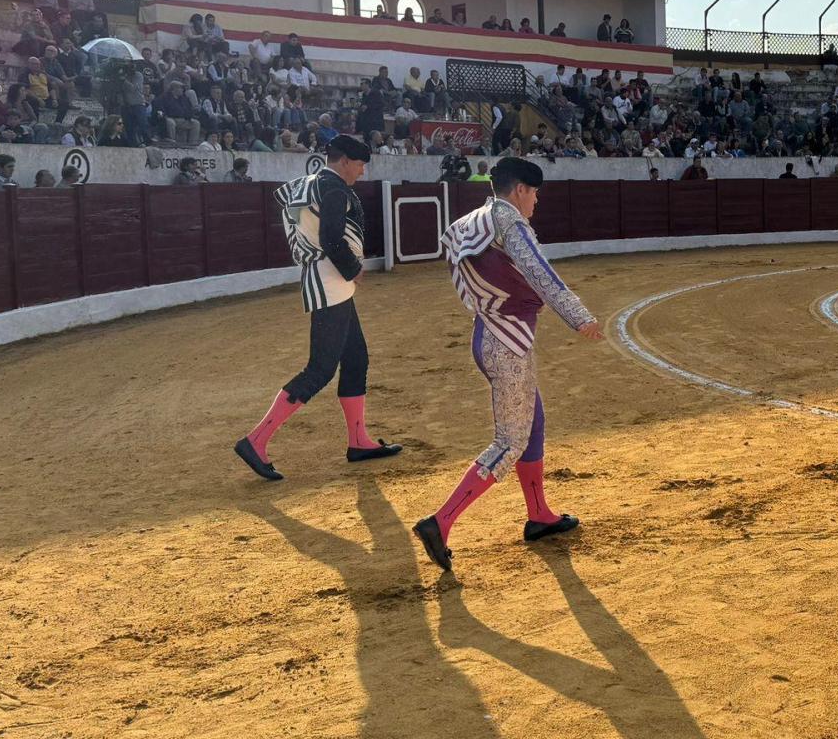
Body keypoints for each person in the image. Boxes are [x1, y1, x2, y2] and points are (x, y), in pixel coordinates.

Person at [415, 157, 603, 571]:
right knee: (510, 440)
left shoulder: (476, 219)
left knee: (531, 423)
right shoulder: (510, 223)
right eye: (534, 193)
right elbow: (538, 272)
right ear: (520, 190)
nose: (536, 201)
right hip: (506, 342)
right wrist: (579, 316)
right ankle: (440, 522)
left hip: (488, 331)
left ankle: (539, 516)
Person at [234, 135, 402, 480]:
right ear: (344, 162)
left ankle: (359, 441)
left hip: (324, 277)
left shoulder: (310, 183)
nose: (362, 170)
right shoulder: (335, 187)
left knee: (356, 359)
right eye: (359, 164)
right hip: (330, 280)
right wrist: (353, 269)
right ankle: (256, 439)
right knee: (321, 368)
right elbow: (330, 238)